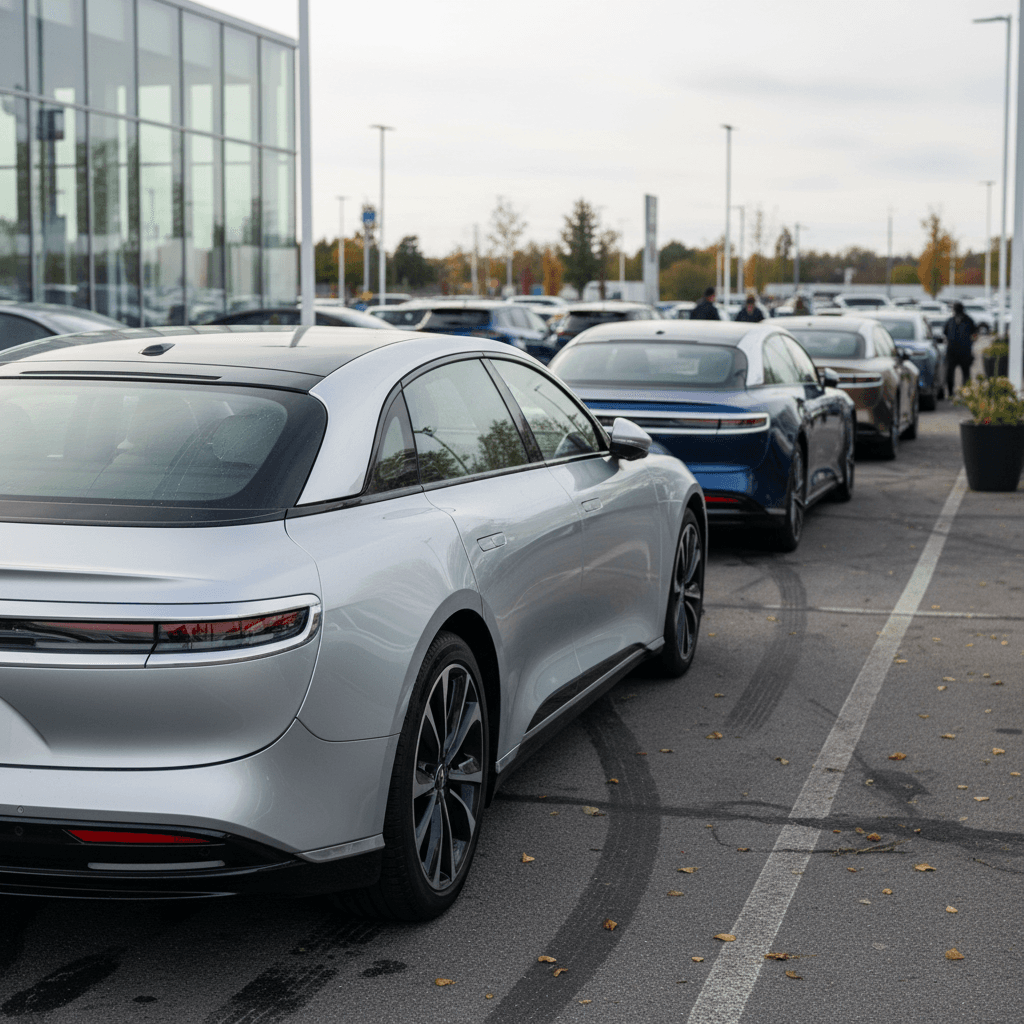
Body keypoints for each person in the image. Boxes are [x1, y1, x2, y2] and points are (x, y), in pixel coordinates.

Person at [943, 301, 977, 395]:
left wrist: (970, 343)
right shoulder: (950, 321)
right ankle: (950, 392)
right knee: (950, 374)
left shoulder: (968, 320)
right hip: (952, 352)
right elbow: (945, 333)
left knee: (966, 373)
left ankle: (965, 392)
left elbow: (975, 333)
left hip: (964, 352)